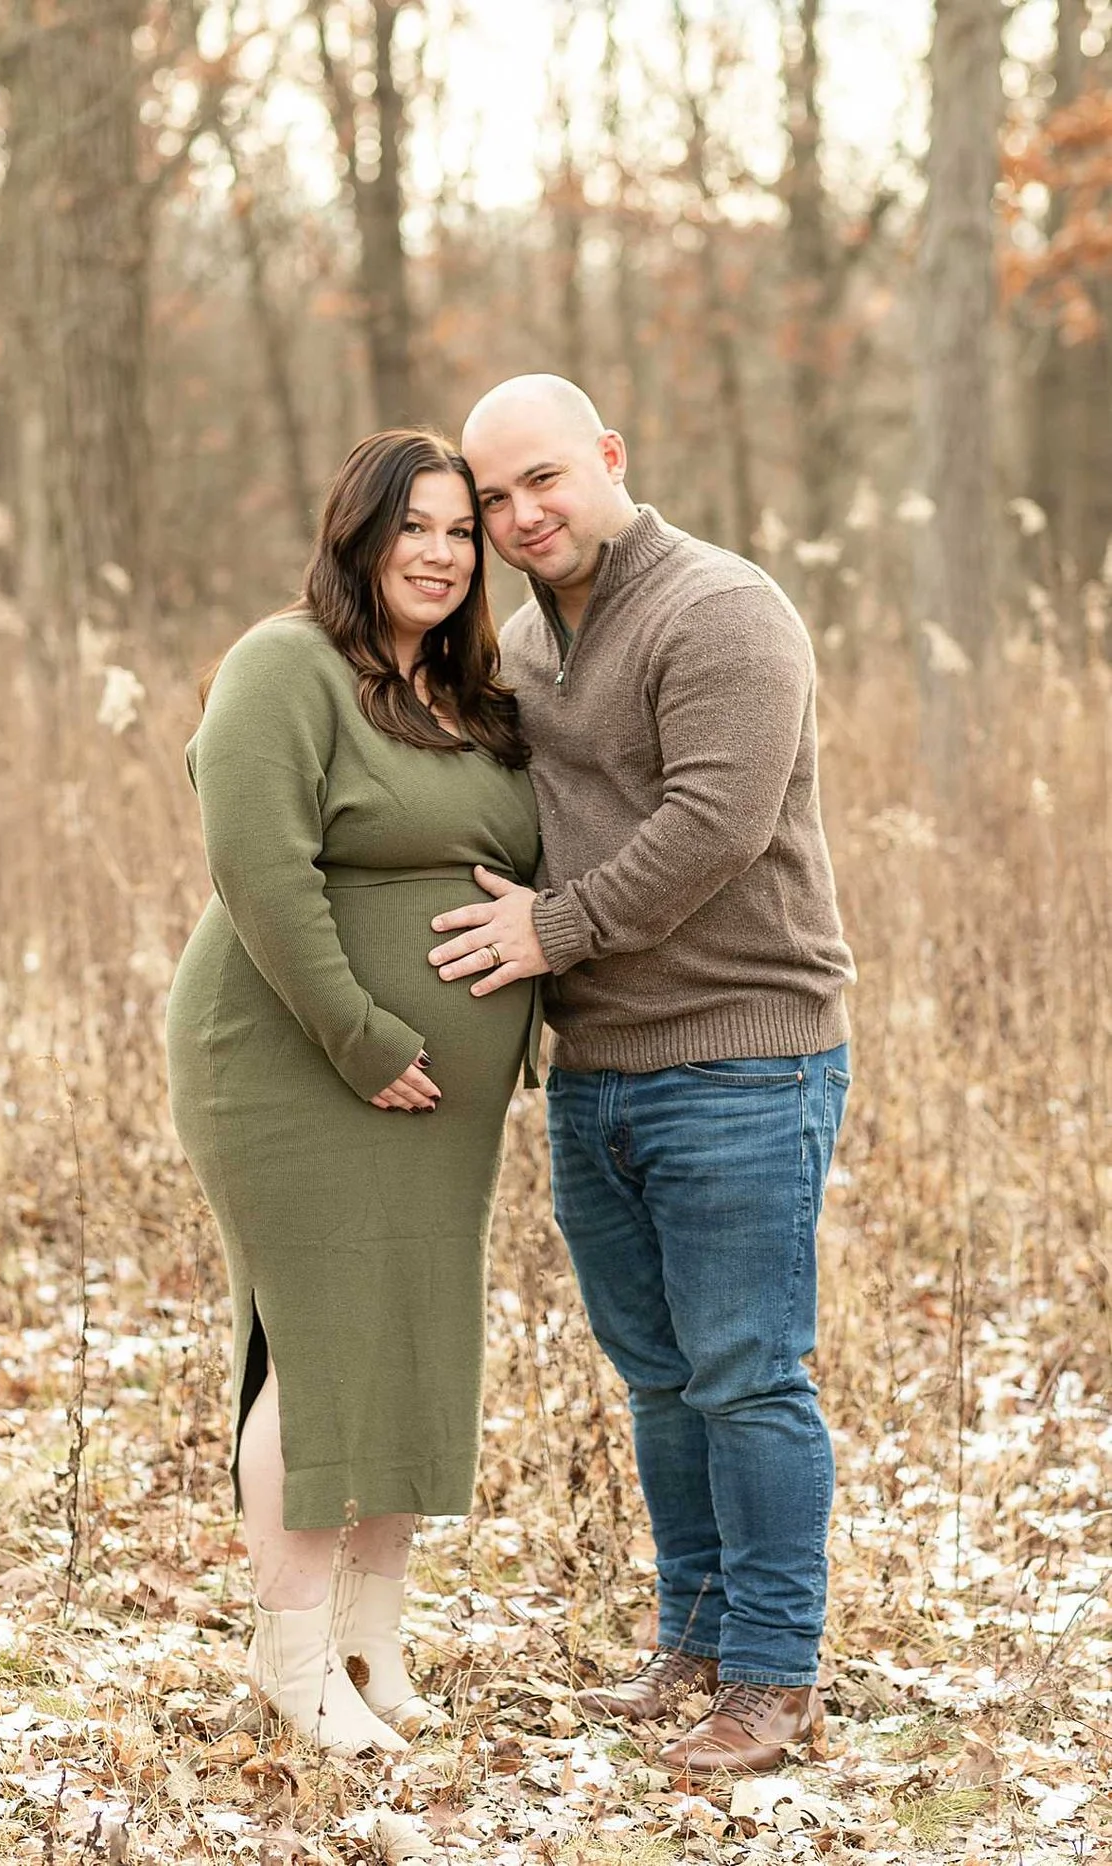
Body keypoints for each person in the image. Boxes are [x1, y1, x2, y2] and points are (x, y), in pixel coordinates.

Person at [429, 374, 854, 1776]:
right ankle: (694, 1639)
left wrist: (550, 931)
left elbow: (716, 821)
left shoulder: (721, 609)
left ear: (610, 456)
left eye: (543, 478)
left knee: (747, 1375)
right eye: (494, 497)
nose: (519, 515)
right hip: (598, 1066)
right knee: (662, 1378)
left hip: (742, 1053)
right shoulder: (524, 641)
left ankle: (775, 1675)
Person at [165, 429, 541, 1756]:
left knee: (409, 1340)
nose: (441, 554)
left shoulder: (472, 699)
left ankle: (372, 1642)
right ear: (357, 534)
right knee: (321, 1345)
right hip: (293, 1058)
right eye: (413, 527)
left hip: (442, 1096)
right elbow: (259, 869)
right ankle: (290, 1655)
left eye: (461, 532)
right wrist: (360, 1035)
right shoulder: (285, 665)